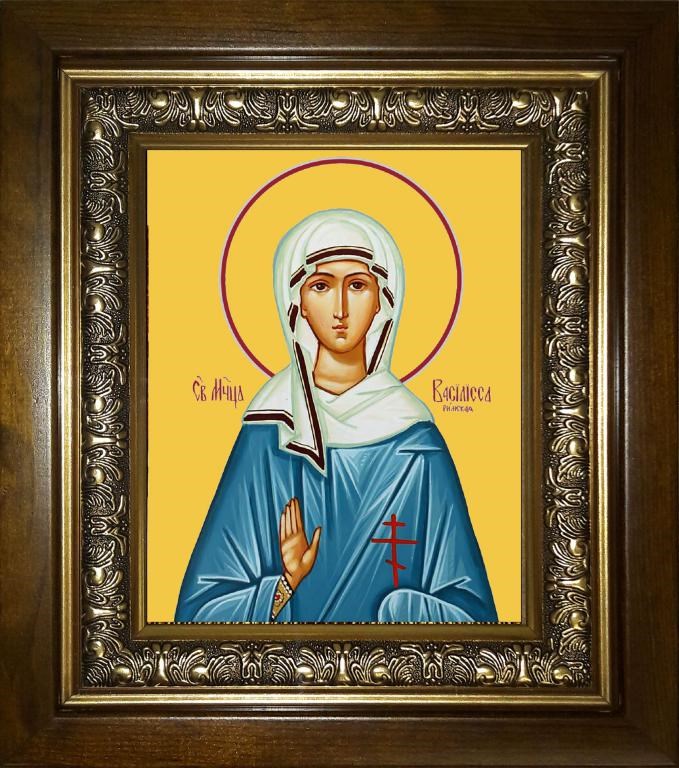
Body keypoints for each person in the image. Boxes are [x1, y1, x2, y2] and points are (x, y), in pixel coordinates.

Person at [175, 209, 497, 623]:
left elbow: (472, 615)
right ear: (299, 304)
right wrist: (284, 585)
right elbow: (199, 612)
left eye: (358, 285)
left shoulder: (419, 442)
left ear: (382, 299)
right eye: (321, 286)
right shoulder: (269, 433)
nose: (340, 308)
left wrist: (399, 611)